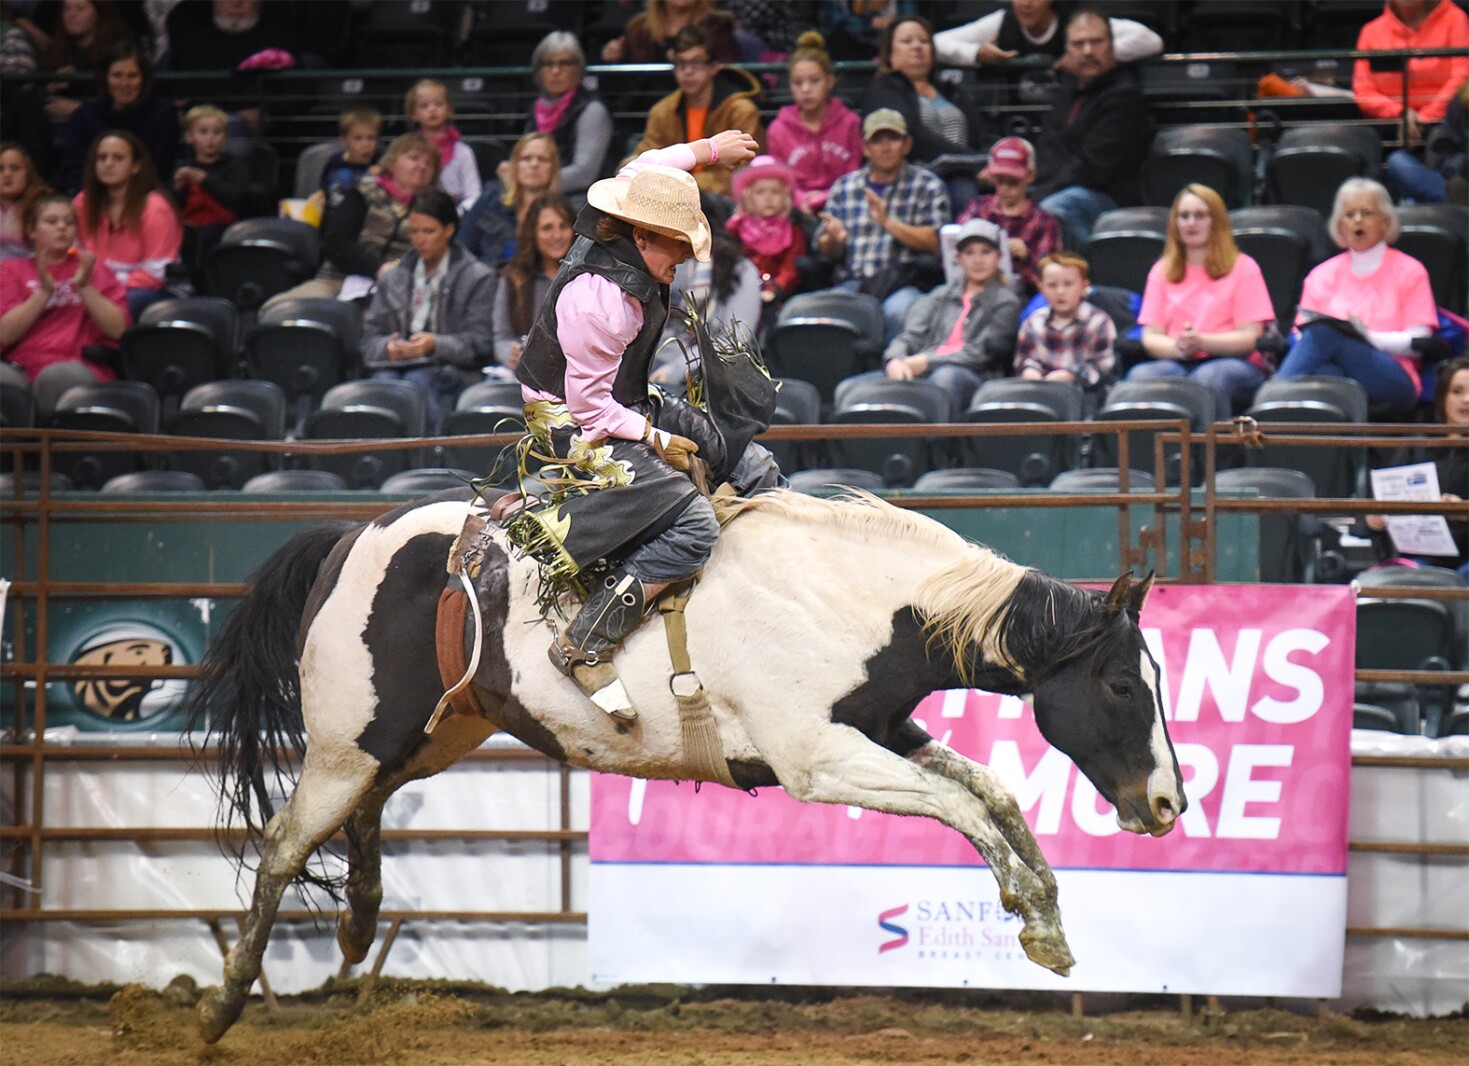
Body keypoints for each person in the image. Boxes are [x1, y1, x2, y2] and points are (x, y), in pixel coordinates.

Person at [513, 129, 760, 721]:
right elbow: (592, 411)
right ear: (643, 236)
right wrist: (655, 438)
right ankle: (585, 641)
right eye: (675, 248)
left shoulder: (628, 203)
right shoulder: (604, 303)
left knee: (746, 458)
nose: (682, 261)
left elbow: (651, 163)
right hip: (571, 417)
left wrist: (707, 151)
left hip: (619, 394)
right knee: (694, 527)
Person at [1277, 178, 1438, 414]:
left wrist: (1366, 337)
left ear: (1385, 222)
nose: (1357, 220)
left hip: (1394, 375)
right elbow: (1300, 339)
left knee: (1325, 332)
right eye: (1349, 214)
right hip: (1333, 372)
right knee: (1327, 372)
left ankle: (1269, 400)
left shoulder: (1410, 270)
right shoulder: (1321, 275)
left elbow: (1420, 341)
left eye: (1366, 213)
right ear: (1340, 224)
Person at [1126, 184, 1276, 420]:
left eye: (1200, 216)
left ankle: (1215, 456)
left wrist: (1202, 341)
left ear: (1216, 221)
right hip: (1179, 359)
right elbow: (1151, 336)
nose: (1191, 223)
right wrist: (1180, 348)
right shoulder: (1161, 270)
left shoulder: (1243, 267)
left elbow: (1249, 338)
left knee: (1209, 379)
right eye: (1184, 216)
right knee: (1140, 377)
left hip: (1236, 362)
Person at [360, 189, 495, 432]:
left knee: (416, 382)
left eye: (428, 231)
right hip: (394, 367)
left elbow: (480, 344)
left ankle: (427, 458)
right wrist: (387, 348)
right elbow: (369, 340)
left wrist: (435, 344)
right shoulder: (393, 277)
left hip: (451, 370)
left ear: (449, 231)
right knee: (382, 384)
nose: (419, 239)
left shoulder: (477, 277)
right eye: (413, 231)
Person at [857, 216, 1020, 418]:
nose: (978, 260)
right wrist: (895, 360)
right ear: (958, 258)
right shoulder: (937, 296)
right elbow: (910, 336)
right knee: (852, 388)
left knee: (945, 377)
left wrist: (926, 361)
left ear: (998, 257)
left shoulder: (1006, 302)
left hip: (971, 374)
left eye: (985, 252)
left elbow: (979, 353)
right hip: (920, 367)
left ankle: (940, 446)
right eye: (969, 253)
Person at [815, 108, 950, 343]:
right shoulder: (844, 187)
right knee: (827, 313)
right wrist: (834, 239)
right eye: (877, 140)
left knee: (898, 312)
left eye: (893, 139)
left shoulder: (928, 185)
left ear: (907, 145)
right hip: (853, 282)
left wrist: (888, 222)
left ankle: (892, 373)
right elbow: (825, 250)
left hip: (903, 283)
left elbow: (935, 241)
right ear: (865, 148)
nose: (886, 147)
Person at [266, 133, 440, 308]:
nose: (422, 166)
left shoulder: (435, 210)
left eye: (429, 164)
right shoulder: (363, 193)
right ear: (392, 162)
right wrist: (378, 268)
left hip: (398, 291)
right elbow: (335, 242)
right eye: (414, 158)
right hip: (337, 280)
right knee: (277, 308)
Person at [1029, 9, 1154, 250]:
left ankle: (1081, 279)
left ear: (1111, 46)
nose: (1087, 51)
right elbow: (1049, 148)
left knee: (1054, 209)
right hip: (1059, 187)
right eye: (1078, 44)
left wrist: (1040, 195)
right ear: (1067, 51)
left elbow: (1093, 168)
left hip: (1108, 197)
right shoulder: (1066, 92)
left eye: (1096, 42)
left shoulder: (1125, 96)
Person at [0, 193, 129, 410]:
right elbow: (5, 333)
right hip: (21, 367)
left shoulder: (93, 269)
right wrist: (44, 292)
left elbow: (118, 330)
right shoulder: (11, 270)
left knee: (56, 377)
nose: (62, 227)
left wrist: (85, 287)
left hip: (77, 365)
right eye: (51, 221)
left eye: (69, 222)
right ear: (32, 230)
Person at [860, 14, 990, 206]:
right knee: (963, 191)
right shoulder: (884, 89)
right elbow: (912, 134)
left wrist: (993, 160)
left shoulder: (950, 89)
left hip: (970, 173)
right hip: (917, 179)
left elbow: (981, 134)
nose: (917, 46)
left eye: (924, 41)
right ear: (889, 54)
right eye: (907, 41)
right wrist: (971, 161)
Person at [631, 24, 764, 198]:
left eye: (696, 63)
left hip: (724, 201)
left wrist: (685, 184)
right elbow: (646, 158)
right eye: (681, 64)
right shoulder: (662, 111)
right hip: (669, 197)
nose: (688, 72)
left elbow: (743, 174)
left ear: (714, 67)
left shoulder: (740, 111)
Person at [1365, 356, 1469, 575]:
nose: (1466, 400)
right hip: (1419, 558)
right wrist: (1374, 519)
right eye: (1457, 391)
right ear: (1442, 398)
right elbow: (1380, 499)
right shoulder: (1418, 444)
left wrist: (1464, 511)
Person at [653, 191, 764, 383]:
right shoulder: (647, 263)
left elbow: (736, 339)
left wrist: (678, 370)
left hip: (709, 372)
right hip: (648, 364)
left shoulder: (739, 268)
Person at [72, 131, 182, 320]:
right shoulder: (84, 202)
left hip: (151, 291)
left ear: (135, 166)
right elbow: (70, 252)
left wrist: (102, 284)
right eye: (102, 158)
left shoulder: (155, 208)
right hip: (95, 286)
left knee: (119, 304)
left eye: (118, 158)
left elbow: (157, 275)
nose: (108, 164)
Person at [934, 0, 1163, 83]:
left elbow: (1150, 41)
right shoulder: (1001, 22)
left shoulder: (1076, 22)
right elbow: (934, 42)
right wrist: (975, 54)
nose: (1026, 3)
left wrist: (1085, 55)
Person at [59, 41, 179, 193]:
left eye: (132, 76)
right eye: (117, 75)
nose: (124, 83)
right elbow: (73, 170)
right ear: (106, 78)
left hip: (146, 197)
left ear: (144, 79)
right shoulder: (84, 116)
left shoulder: (163, 114)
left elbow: (160, 168)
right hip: (94, 198)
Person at [765, 30, 863, 213]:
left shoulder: (850, 123)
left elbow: (854, 173)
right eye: (798, 83)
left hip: (844, 205)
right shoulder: (778, 129)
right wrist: (801, 199)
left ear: (830, 81)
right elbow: (779, 178)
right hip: (795, 210)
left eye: (814, 81)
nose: (806, 89)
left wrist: (827, 197)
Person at [956, 136, 1060, 299]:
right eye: (999, 181)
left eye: (1013, 182)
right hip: (972, 292)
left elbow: (1052, 281)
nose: (1005, 188)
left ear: (1030, 176)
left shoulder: (1044, 222)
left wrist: (1026, 257)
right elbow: (950, 257)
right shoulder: (977, 208)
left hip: (1021, 297)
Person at [1352, 0, 1469, 143]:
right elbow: (1364, 91)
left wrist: (1424, 118)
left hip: (1444, 122)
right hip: (1390, 125)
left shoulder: (1454, 18)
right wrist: (1402, 113)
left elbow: (1462, 77)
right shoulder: (1371, 31)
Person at [490, 193, 574, 375]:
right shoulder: (513, 279)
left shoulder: (588, 279)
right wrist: (510, 353)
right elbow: (501, 338)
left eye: (564, 226)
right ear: (533, 233)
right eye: (547, 228)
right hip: (525, 374)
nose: (557, 235)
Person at [523, 32, 614, 198]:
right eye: (548, 64)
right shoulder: (536, 109)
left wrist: (531, 182)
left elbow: (584, 174)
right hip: (543, 194)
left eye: (564, 64)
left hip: (582, 199)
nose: (555, 71)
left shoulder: (593, 110)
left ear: (578, 69)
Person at [1014, 251, 1116, 394]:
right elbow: (1025, 359)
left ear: (1084, 286)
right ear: (1041, 287)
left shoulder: (1098, 321)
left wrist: (1072, 376)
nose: (1060, 291)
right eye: (1052, 285)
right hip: (1042, 391)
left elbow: (1103, 364)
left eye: (1068, 284)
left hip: (1086, 393)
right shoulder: (1033, 322)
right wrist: (1030, 371)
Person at [173, 104, 259, 273]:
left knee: (209, 234)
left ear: (225, 137)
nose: (210, 138)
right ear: (190, 137)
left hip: (223, 225)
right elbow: (175, 206)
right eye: (203, 132)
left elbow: (238, 199)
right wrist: (178, 188)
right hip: (189, 224)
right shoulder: (182, 166)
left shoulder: (234, 165)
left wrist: (205, 180)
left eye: (216, 132)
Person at [461, 133, 561, 271]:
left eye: (543, 159)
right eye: (526, 159)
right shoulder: (491, 198)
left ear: (553, 168)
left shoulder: (561, 211)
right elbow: (464, 246)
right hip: (488, 284)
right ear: (514, 165)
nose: (534, 164)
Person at [726, 154, 809, 318]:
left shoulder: (793, 232)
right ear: (747, 196)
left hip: (779, 300)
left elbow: (790, 269)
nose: (768, 198)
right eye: (760, 192)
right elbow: (728, 264)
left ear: (785, 196)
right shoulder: (735, 229)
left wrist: (774, 290)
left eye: (775, 192)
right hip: (739, 296)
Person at [1385, 78, 1469, 204]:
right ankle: (1455, 202)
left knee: (1411, 202)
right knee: (1397, 161)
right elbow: (1442, 152)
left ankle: (1453, 204)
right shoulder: (1461, 101)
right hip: (1455, 181)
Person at [404, 78, 481, 212]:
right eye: (424, 106)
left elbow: (474, 195)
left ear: (449, 110)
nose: (432, 110)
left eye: (439, 104)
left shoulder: (463, 152)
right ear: (413, 114)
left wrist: (457, 215)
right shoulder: (407, 151)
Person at [601, 0, 738, 64]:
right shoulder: (639, 28)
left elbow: (728, 73)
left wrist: (691, 62)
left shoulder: (716, 26)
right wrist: (613, 58)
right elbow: (624, 85)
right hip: (643, 112)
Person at [315, 107, 382, 215]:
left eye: (371, 138)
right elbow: (322, 193)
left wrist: (384, 179)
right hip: (335, 220)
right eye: (358, 138)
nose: (365, 145)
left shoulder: (381, 164)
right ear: (344, 140)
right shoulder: (334, 163)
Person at [0, 142, 52, 263]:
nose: (7, 174)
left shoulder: (44, 208)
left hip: (31, 276)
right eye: (0, 169)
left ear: (28, 174)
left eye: (15, 168)